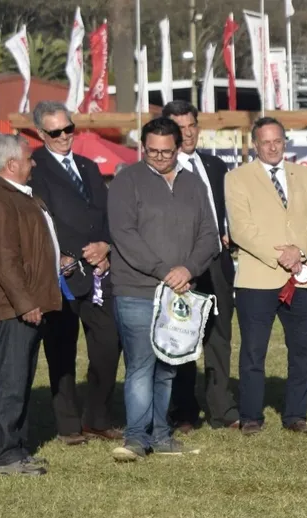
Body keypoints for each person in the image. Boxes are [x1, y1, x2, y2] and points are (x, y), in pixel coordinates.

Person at [106, 117, 220, 461]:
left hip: (180, 292)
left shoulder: (195, 185)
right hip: (137, 290)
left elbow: (209, 235)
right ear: (142, 147)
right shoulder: (127, 181)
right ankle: (137, 437)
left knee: (168, 365)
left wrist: (189, 269)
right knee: (141, 365)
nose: (158, 157)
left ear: (179, 147)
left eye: (165, 152)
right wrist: (163, 271)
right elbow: (124, 235)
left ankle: (161, 433)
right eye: (151, 151)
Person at [225, 117, 307, 436]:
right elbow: (241, 229)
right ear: (254, 144)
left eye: (278, 141)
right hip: (258, 278)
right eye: (265, 142)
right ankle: (252, 416)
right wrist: (278, 256)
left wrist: (298, 251)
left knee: (304, 351)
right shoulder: (237, 178)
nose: (272, 147)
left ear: (285, 142)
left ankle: (296, 414)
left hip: (300, 278)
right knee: (254, 351)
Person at [28, 101, 122, 446]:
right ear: (41, 133)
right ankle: (68, 426)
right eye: (55, 132)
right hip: (63, 273)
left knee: (109, 346)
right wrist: (84, 250)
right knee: (61, 352)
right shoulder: (34, 168)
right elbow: (45, 217)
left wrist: (106, 245)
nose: (64, 136)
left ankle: (97, 417)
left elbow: (107, 212)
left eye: (69, 129)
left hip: (99, 273)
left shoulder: (88, 166)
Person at [0, 134, 63, 476]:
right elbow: (3, 260)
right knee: (8, 381)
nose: (33, 162)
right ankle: (6, 455)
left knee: (19, 379)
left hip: (24, 304)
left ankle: (17, 449)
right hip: (11, 308)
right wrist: (26, 302)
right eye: (28, 158)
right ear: (11, 164)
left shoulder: (16, 195)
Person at [161, 100, 240, 433]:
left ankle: (222, 408)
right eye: (180, 127)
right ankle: (183, 412)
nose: (188, 132)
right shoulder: (160, 171)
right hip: (182, 268)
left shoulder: (216, 166)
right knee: (183, 338)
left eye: (192, 125)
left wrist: (230, 233)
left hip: (219, 264)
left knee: (219, 338)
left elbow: (227, 210)